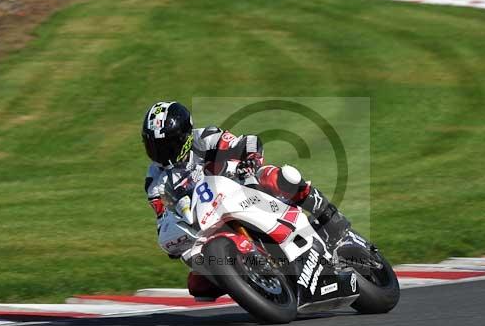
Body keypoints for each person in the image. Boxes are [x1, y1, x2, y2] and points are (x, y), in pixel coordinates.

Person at [141, 100, 349, 298]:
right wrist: (173, 239)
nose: (161, 152)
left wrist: (250, 162)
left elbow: (248, 142)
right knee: (198, 287)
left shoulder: (205, 138)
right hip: (206, 223)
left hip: (241, 191)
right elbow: (163, 217)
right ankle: (256, 282)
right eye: (154, 146)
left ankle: (328, 214)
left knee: (277, 176)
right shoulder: (154, 180)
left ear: (184, 136)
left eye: (167, 144)